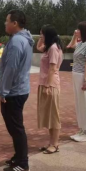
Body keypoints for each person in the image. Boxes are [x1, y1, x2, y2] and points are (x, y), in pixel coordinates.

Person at [0, 10, 34, 171]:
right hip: (19, 89)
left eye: (7, 21)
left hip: (14, 91)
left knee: (16, 127)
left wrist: (4, 91)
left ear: (15, 23)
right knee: (14, 126)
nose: (5, 23)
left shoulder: (17, 41)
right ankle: (18, 156)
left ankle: (22, 163)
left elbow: (11, 69)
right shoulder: (23, 39)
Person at [36, 25, 64, 154]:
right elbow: (38, 47)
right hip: (45, 83)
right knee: (48, 115)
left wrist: (47, 86)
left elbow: (52, 69)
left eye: (42, 34)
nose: (40, 36)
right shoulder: (49, 47)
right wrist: (41, 38)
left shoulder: (53, 48)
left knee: (53, 115)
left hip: (51, 85)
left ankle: (55, 144)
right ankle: (51, 142)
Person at [68, 21, 86, 142]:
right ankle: (82, 129)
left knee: (85, 104)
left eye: (78, 30)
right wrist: (74, 36)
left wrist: (85, 79)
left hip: (84, 76)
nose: (76, 31)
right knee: (79, 104)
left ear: (83, 31)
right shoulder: (80, 43)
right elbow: (70, 45)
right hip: (76, 75)